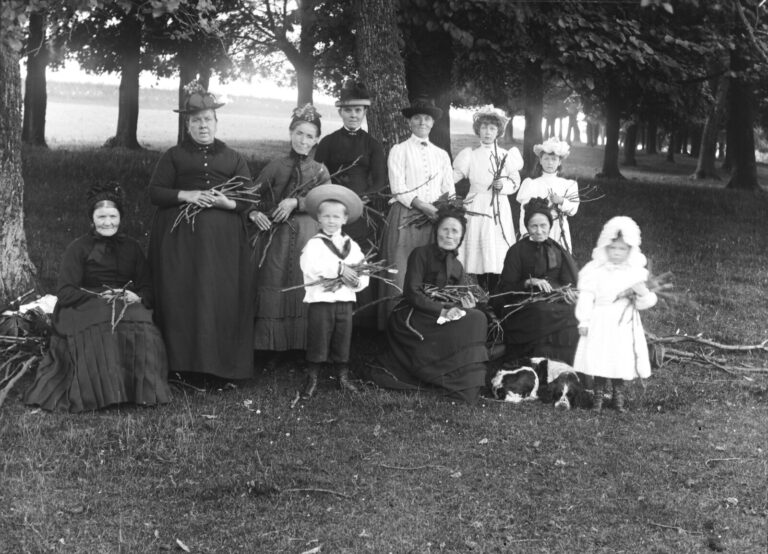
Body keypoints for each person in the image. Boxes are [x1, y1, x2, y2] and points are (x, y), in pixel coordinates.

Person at [25, 184, 170, 412]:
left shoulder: (132, 248)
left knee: (141, 321)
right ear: (92, 219)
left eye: (113, 216)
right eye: (101, 217)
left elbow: (147, 286)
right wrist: (98, 296)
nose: (107, 222)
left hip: (124, 301)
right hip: (83, 303)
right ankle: (102, 395)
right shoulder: (78, 248)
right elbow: (66, 291)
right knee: (101, 324)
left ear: (120, 218)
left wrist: (137, 296)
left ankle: (138, 392)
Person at [148, 81, 254, 384]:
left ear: (216, 122)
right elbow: (155, 192)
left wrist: (225, 202)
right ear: (187, 125)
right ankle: (180, 363)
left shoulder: (233, 157)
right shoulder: (173, 156)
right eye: (196, 121)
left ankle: (221, 366)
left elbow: (248, 198)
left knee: (218, 297)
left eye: (207, 119)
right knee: (182, 296)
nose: (203, 125)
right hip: (180, 244)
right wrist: (187, 195)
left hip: (222, 247)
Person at [365, 207, 489, 405]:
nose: (449, 235)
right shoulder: (421, 254)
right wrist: (441, 310)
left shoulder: (457, 266)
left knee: (476, 317)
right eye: (445, 229)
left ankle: (462, 382)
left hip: (442, 314)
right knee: (475, 318)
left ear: (461, 237)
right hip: (415, 313)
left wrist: (465, 305)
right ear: (436, 231)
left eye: (455, 231)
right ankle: (440, 374)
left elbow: (455, 297)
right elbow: (412, 292)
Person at [249, 104, 331, 363]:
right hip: (277, 239)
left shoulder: (320, 171)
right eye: (299, 133)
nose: (303, 140)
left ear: (316, 139)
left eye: (309, 136)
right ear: (290, 133)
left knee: (303, 282)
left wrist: (297, 202)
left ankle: (302, 345)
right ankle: (272, 346)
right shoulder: (276, 166)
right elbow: (250, 197)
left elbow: (327, 204)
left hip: (308, 236)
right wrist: (253, 213)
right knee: (275, 281)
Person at [314, 81, 386, 326]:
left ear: (364, 112)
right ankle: (329, 316)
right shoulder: (328, 142)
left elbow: (380, 180)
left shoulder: (372, 144)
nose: (353, 115)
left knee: (356, 259)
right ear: (340, 112)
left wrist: (364, 196)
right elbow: (317, 176)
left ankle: (360, 321)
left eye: (358, 110)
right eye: (348, 110)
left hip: (360, 211)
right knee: (332, 257)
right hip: (332, 211)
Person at [378, 97, 455, 325]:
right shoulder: (399, 150)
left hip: (434, 219)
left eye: (427, 118)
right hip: (407, 215)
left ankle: (428, 319)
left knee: (430, 267)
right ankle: (397, 321)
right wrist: (422, 205)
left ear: (432, 123)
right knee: (402, 266)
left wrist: (444, 210)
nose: (422, 122)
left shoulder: (441, 154)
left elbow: (449, 189)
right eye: (417, 118)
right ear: (410, 122)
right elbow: (398, 187)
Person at [573, 216, 657, 412]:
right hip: (600, 319)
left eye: (622, 249)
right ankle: (598, 398)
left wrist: (643, 293)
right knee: (600, 357)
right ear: (605, 247)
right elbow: (586, 296)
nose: (617, 252)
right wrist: (584, 320)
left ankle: (618, 397)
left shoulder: (635, 273)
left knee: (619, 357)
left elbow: (644, 303)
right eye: (612, 248)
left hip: (624, 322)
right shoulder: (595, 271)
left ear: (630, 250)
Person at [299, 184, 370, 397]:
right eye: (327, 216)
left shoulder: (352, 245)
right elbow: (309, 267)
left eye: (336, 217)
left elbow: (363, 268)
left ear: (344, 219)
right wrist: (339, 269)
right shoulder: (314, 244)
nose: (331, 221)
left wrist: (355, 281)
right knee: (319, 338)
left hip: (345, 300)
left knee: (342, 337)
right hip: (321, 301)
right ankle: (312, 378)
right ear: (318, 219)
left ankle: (342, 377)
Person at [493, 198, 580, 364]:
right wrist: (529, 282)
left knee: (574, 312)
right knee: (541, 311)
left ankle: (567, 366)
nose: (539, 231)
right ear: (527, 227)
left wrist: (570, 294)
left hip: (555, 300)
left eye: (543, 225)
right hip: (524, 302)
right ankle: (535, 363)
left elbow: (570, 282)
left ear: (550, 226)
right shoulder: (517, 251)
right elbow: (505, 289)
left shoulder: (557, 250)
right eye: (534, 226)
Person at [452, 105, 523, 290]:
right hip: (476, 204)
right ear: (478, 130)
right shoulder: (470, 155)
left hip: (498, 206)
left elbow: (515, 182)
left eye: (492, 128)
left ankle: (496, 286)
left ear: (498, 131)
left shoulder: (506, 156)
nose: (487, 132)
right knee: (478, 244)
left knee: (496, 245)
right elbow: (453, 177)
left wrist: (503, 186)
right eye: (484, 127)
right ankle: (480, 284)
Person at [516, 137, 579, 252]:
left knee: (558, 257)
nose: (550, 163)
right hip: (538, 230)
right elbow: (524, 211)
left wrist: (561, 201)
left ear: (559, 162)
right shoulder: (532, 184)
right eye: (546, 159)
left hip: (559, 230)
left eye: (554, 159)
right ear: (540, 160)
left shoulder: (568, 185)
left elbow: (573, 210)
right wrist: (526, 233)